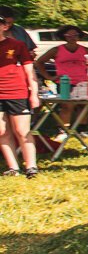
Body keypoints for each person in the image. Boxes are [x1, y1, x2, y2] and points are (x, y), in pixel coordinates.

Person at [33, 24, 88, 136]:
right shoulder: (56, 50)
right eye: (69, 35)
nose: (72, 37)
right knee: (66, 105)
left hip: (83, 82)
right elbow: (39, 62)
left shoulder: (86, 50)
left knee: (83, 105)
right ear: (64, 36)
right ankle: (63, 129)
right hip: (65, 82)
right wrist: (49, 77)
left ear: (79, 36)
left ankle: (82, 129)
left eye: (75, 35)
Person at [0, 14, 40, 177]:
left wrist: (34, 93)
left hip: (17, 91)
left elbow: (29, 70)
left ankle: (31, 166)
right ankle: (13, 167)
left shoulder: (17, 45)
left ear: (5, 27)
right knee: (1, 131)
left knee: (22, 130)